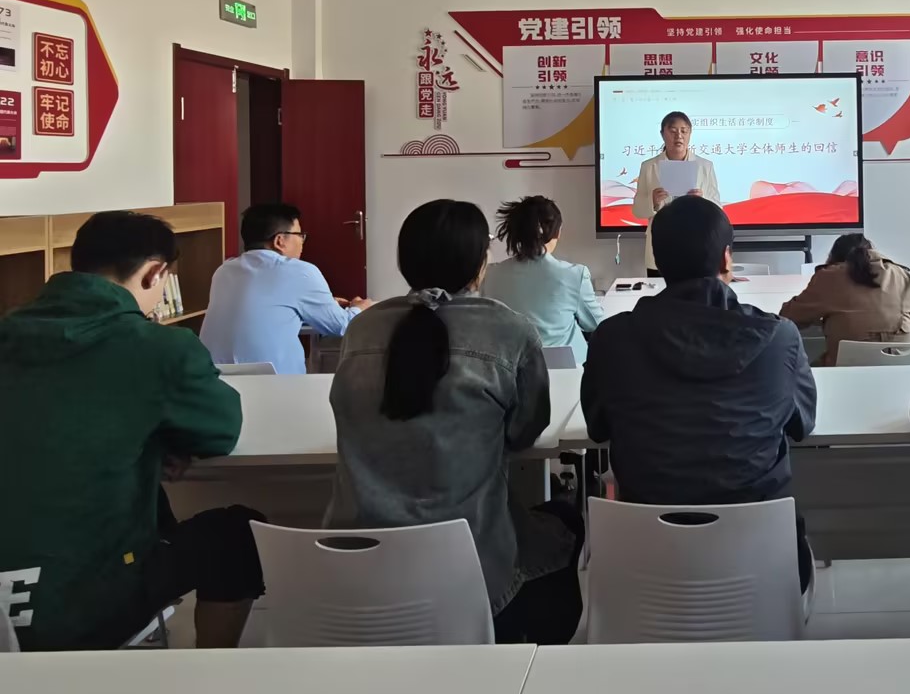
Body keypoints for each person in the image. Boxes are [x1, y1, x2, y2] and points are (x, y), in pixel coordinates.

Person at [0, 211, 264, 650]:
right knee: (235, 535)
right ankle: (213, 672)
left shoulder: (9, 332)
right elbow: (220, 432)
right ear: (155, 273)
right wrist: (158, 440)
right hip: (80, 607)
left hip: (6, 610)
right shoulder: (159, 347)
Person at [327, 199, 581, 644]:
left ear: (404, 262)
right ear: (479, 264)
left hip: (359, 568)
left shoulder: (362, 329)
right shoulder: (509, 330)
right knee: (566, 524)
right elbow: (524, 432)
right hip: (472, 574)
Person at [582, 195, 818, 591]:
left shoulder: (613, 338)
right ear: (726, 258)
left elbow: (598, 426)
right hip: (762, 571)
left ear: (659, 260)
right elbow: (802, 425)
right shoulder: (780, 339)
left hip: (646, 569)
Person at [201, 203, 371, 374]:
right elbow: (341, 326)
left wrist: (324, 304)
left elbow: (265, 311)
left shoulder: (224, 270)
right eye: (299, 235)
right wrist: (360, 308)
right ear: (280, 241)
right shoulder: (299, 271)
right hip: (275, 382)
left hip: (217, 378)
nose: (302, 241)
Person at [780, 233, 910, 365]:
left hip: (845, 372)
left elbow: (788, 317)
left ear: (833, 257)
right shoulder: (899, 274)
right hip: (903, 370)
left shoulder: (828, 278)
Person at [480, 196, 604, 364]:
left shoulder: (490, 275)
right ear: (557, 232)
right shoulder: (574, 275)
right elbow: (597, 325)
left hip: (509, 368)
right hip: (567, 369)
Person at [631, 110, 720, 277]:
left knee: (695, 291)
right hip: (662, 241)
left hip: (696, 243)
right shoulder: (649, 167)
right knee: (660, 289)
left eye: (684, 131)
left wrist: (702, 201)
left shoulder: (704, 166)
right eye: (672, 131)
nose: (679, 136)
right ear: (662, 134)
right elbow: (637, 210)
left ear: (690, 134)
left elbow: (717, 208)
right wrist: (652, 201)